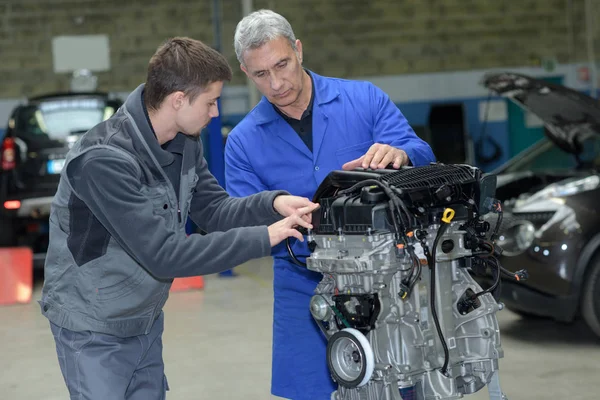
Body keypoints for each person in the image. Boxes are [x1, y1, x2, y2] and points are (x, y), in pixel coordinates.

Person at [39, 36, 319, 400]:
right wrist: (265, 237)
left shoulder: (184, 140)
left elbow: (215, 210)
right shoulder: (104, 161)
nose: (215, 113)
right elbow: (165, 254)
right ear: (178, 100)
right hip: (94, 327)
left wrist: (274, 203)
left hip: (144, 316)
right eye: (210, 102)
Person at [225, 10, 436, 400]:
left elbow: (422, 154)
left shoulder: (364, 100)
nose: (275, 83)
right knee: (312, 391)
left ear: (299, 50)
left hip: (383, 282)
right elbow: (242, 219)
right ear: (245, 72)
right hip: (303, 288)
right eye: (259, 75)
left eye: (281, 65)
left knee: (396, 386)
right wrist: (277, 213)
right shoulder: (242, 141)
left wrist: (400, 154)